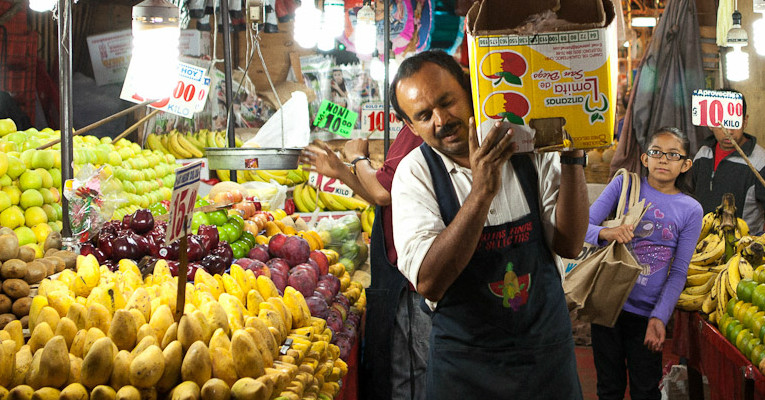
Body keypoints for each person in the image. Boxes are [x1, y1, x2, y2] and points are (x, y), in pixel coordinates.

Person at [390, 49, 589, 399]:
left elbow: (570, 245)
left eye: (447, 102)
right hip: (465, 367)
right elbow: (430, 282)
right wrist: (481, 193)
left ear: (470, 89)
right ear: (410, 126)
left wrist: (574, 156)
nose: (441, 120)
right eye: (423, 115)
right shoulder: (414, 175)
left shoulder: (526, 147)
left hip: (545, 357)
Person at [299, 126, 427, 400]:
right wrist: (342, 172)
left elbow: (382, 193)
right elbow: (384, 197)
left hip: (413, 284)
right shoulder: (411, 129)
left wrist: (357, 158)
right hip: (406, 279)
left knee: (408, 380)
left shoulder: (418, 128)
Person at [587, 127, 703, 400]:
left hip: (646, 315)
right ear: (644, 158)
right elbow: (583, 227)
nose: (663, 159)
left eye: (673, 155)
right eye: (656, 152)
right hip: (607, 305)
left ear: (686, 165)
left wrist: (659, 317)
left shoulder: (691, 210)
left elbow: (678, 272)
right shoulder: (624, 185)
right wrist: (607, 233)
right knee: (609, 389)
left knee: (646, 390)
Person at [689, 89, 765, 233]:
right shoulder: (702, 154)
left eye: (734, 123)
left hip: (743, 243)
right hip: (703, 242)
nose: (728, 131)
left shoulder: (761, 162)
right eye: (722, 123)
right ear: (710, 123)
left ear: (745, 121)